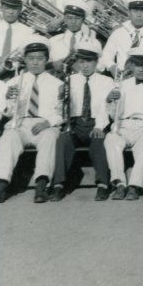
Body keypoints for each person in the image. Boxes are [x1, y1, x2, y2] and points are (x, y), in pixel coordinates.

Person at [0, 40, 63, 204]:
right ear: (24, 60)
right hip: (20, 123)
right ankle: (0, 184)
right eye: (31, 58)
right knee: (8, 138)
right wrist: (9, 100)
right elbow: (7, 113)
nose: (35, 62)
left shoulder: (58, 84)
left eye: (40, 58)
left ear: (46, 60)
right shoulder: (13, 82)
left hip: (45, 124)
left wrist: (49, 122)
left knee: (49, 138)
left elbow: (62, 112)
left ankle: (41, 185)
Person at [50, 39, 114, 202]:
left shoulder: (106, 81)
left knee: (98, 142)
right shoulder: (70, 80)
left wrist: (99, 127)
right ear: (77, 63)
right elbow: (62, 108)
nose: (85, 66)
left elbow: (106, 107)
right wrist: (61, 98)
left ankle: (103, 184)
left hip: (96, 122)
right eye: (81, 62)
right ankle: (58, 185)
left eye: (89, 62)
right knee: (63, 140)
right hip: (75, 124)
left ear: (96, 62)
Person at [103, 48, 143, 201]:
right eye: (137, 65)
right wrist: (110, 100)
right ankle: (119, 184)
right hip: (123, 125)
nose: (141, 69)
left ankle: (135, 186)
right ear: (131, 66)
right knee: (111, 139)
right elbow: (113, 114)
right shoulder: (122, 85)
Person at [0, 0, 38, 79]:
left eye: (15, 8)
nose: (10, 11)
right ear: (1, 8)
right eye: (7, 7)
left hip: (15, 75)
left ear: (20, 9)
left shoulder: (29, 32)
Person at [48, 0, 97, 72]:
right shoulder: (53, 41)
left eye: (77, 18)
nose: (73, 22)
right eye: (69, 18)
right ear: (64, 19)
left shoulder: (92, 42)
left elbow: (100, 67)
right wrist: (52, 65)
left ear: (83, 20)